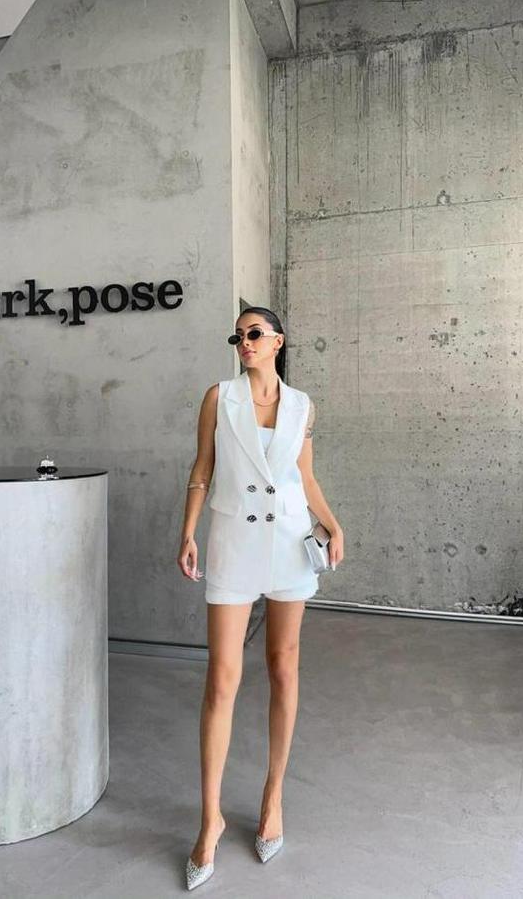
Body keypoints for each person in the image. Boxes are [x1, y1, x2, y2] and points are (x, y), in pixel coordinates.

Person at [177, 307, 344, 890]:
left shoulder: (301, 405)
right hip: (234, 542)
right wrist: (188, 532)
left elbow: (305, 477)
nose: (244, 342)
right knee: (222, 679)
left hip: (289, 544)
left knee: (283, 665)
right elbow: (202, 469)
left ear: (277, 341)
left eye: (254, 334)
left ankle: (273, 797)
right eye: (238, 335)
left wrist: (333, 524)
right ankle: (210, 819)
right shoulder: (218, 397)